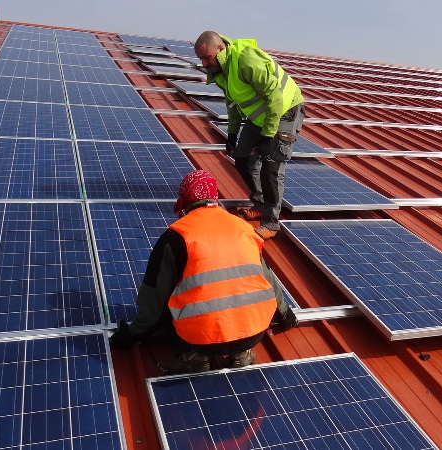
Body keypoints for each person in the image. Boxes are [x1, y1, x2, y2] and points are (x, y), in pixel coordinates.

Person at [109, 170, 298, 374]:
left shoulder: (175, 237)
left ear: (186, 201)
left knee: (169, 306)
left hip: (201, 340)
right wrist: (286, 316)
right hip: (254, 332)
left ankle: (193, 356)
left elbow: (154, 300)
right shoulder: (244, 228)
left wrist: (130, 335)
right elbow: (268, 278)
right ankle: (242, 352)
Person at [194, 30, 305, 240]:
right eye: (201, 59)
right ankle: (260, 204)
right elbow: (233, 103)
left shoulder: (245, 60)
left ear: (220, 49)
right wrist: (232, 133)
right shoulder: (220, 71)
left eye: (206, 58)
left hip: (285, 110)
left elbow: (275, 97)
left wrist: (267, 137)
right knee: (242, 158)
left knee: (271, 166)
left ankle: (271, 222)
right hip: (261, 116)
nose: (204, 64)